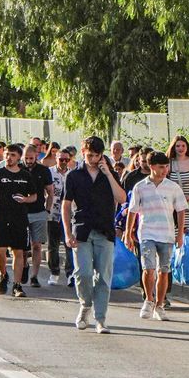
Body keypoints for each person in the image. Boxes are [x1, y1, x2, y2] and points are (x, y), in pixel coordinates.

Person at [63, 136, 125, 332]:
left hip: (104, 230)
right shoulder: (73, 176)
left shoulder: (110, 174)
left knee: (104, 277)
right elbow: (66, 206)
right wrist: (67, 232)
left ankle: (100, 319)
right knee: (83, 273)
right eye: (89, 155)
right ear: (83, 153)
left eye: (96, 155)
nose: (92, 159)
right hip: (81, 230)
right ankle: (85, 305)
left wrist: (108, 174)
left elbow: (122, 198)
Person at [125, 151, 187, 321]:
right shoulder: (140, 186)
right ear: (152, 167)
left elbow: (181, 210)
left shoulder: (173, 187)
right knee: (148, 268)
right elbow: (132, 211)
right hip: (147, 233)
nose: (164, 170)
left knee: (164, 271)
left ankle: (159, 305)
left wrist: (180, 233)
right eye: (161, 167)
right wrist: (128, 232)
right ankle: (148, 299)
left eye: (166, 166)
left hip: (166, 234)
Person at [0, 144, 36, 297]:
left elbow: (34, 196)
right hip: (1, 217)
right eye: (7, 154)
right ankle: (3, 275)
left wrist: (25, 199)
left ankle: (17, 285)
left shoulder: (25, 175)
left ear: (19, 157)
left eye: (13, 155)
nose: (9, 157)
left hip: (20, 218)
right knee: (0, 251)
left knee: (18, 252)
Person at [22, 145, 54, 281]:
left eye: (31, 158)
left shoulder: (44, 170)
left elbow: (50, 191)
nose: (29, 161)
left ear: (36, 156)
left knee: (37, 245)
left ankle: (34, 275)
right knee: (22, 247)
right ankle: (23, 266)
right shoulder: (18, 169)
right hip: (21, 212)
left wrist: (47, 210)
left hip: (39, 211)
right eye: (26, 158)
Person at [47, 147, 73, 284]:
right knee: (53, 245)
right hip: (53, 213)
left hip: (69, 214)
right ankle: (54, 272)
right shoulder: (49, 173)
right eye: (61, 159)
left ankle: (70, 273)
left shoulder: (73, 174)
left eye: (66, 160)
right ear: (56, 159)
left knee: (69, 244)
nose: (63, 162)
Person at [168, 136, 189, 241]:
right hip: (174, 205)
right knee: (176, 237)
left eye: (183, 145)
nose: (180, 148)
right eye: (178, 146)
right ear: (174, 147)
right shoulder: (169, 163)